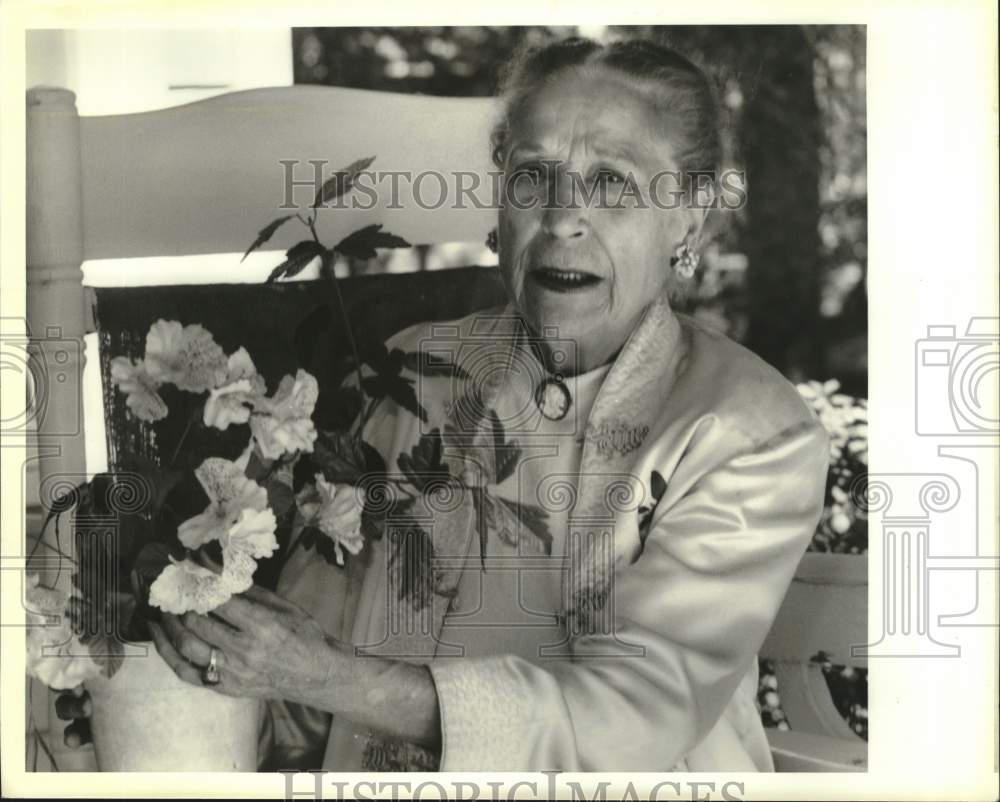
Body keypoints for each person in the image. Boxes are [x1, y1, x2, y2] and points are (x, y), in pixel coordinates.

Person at [66, 37, 830, 772]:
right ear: (499, 204)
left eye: (612, 184)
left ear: (688, 219)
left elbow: (636, 714)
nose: (562, 219)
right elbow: (301, 653)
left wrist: (333, 679)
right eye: (533, 178)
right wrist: (188, 647)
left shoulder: (749, 431)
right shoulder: (416, 370)